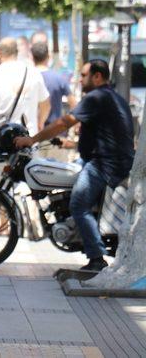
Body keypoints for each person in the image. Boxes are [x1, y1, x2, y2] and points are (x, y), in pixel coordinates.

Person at [14, 60, 135, 272]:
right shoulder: (113, 97)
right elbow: (106, 137)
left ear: (97, 76)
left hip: (104, 164)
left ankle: (96, 258)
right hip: (109, 159)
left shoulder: (96, 97)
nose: (80, 79)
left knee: (78, 205)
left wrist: (32, 140)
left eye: (84, 75)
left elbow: (64, 122)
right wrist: (69, 144)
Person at [0, 37, 51, 179]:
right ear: (16, 52)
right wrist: (40, 122)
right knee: (28, 182)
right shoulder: (33, 73)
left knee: (1, 186)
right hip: (29, 137)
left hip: (1, 138)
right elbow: (46, 104)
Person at [32, 42, 76, 126]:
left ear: (32, 58)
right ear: (48, 57)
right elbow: (73, 103)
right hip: (54, 129)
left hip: (32, 130)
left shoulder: (28, 78)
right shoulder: (58, 78)